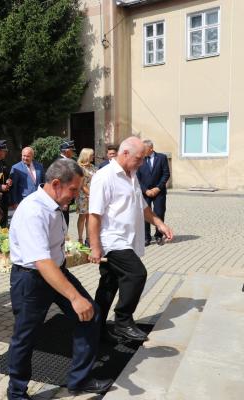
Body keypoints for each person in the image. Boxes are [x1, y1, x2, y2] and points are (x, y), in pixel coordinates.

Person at [7, 158, 112, 399]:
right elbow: (42, 262)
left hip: (57, 272)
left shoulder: (55, 206)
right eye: (73, 190)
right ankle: (16, 392)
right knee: (25, 337)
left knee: (91, 314)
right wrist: (74, 297)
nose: (76, 196)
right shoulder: (33, 210)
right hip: (31, 280)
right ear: (56, 184)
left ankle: (79, 380)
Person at [88, 136, 174, 342]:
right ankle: (123, 321)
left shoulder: (132, 175)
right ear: (125, 153)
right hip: (112, 240)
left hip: (128, 239)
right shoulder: (104, 177)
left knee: (108, 285)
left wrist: (159, 223)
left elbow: (142, 206)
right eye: (139, 158)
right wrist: (95, 247)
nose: (142, 163)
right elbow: (94, 215)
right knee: (136, 274)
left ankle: (94, 330)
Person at [136, 140, 170, 246]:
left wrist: (158, 188)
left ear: (151, 148)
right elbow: (137, 177)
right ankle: (146, 237)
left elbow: (166, 174)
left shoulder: (162, 157)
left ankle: (158, 235)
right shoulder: (139, 159)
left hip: (159, 192)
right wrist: (145, 190)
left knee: (159, 213)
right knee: (145, 214)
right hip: (145, 192)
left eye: (144, 149)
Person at [75, 148, 97, 245]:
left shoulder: (92, 167)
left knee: (89, 217)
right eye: (92, 155)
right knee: (82, 217)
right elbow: (82, 184)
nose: (93, 156)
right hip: (83, 196)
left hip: (92, 195)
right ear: (86, 156)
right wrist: (90, 194)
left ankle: (88, 238)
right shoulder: (79, 168)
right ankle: (80, 238)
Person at [59, 140, 76, 226]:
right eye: (72, 150)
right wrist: (64, 200)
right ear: (67, 151)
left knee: (65, 218)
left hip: (67, 195)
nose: (73, 152)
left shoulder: (68, 160)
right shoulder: (60, 162)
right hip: (62, 196)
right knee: (62, 220)